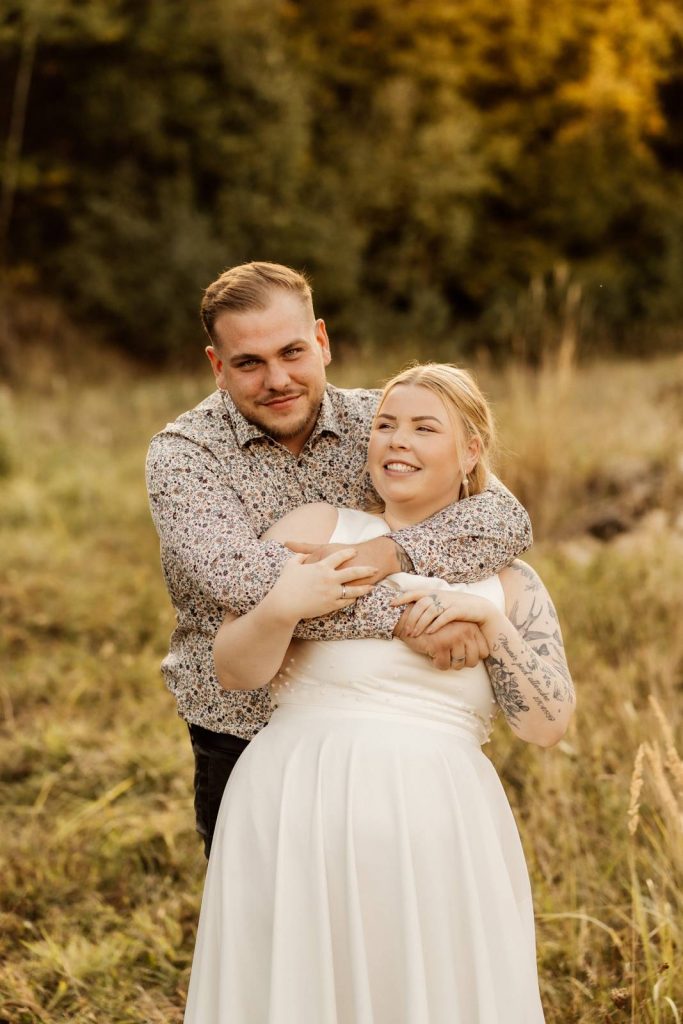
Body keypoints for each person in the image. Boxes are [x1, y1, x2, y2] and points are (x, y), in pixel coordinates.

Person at [183, 363, 575, 1024]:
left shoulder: (510, 582)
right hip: (292, 809)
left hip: (438, 827)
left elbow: (547, 726)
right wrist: (284, 607)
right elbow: (232, 669)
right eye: (386, 425)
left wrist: (492, 626)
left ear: (470, 450)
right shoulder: (316, 529)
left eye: (425, 428)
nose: (398, 441)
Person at [146, 262, 532, 857]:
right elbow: (246, 582)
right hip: (242, 724)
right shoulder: (184, 456)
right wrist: (412, 616)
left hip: (383, 726)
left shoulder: (384, 420)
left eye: (292, 351)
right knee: (265, 922)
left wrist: (389, 551)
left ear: (322, 341)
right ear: (218, 368)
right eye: (249, 363)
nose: (277, 378)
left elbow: (502, 518)